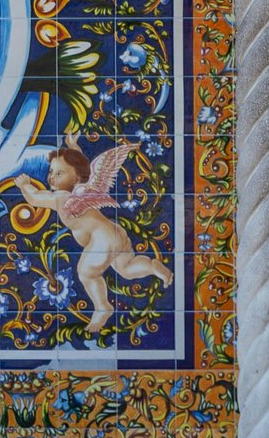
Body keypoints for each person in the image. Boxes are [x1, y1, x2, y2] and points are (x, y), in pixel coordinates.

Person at [9, 140, 171, 336]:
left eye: (58, 174)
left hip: (102, 239)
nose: (51, 178)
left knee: (87, 273)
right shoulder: (85, 186)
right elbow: (84, 166)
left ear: (76, 179)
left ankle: (103, 306)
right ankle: (153, 267)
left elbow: (35, 198)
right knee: (126, 268)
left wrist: (25, 186)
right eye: (51, 172)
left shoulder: (61, 198)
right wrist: (73, 145)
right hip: (115, 232)